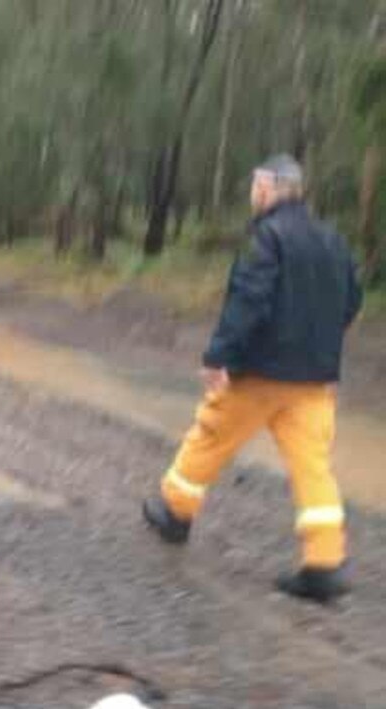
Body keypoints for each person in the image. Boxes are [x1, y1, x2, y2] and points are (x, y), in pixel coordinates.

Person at [142, 154, 363, 603]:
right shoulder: (332, 239)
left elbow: (250, 299)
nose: (252, 196)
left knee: (210, 436)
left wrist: (219, 356)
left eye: (254, 188)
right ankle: (323, 563)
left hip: (260, 373)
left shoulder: (267, 236)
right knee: (312, 466)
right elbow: (351, 300)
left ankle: (175, 513)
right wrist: (319, 345)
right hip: (314, 381)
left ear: (266, 190)